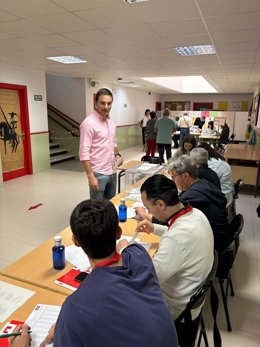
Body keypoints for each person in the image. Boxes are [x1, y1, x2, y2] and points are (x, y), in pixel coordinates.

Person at [41, 199, 178, 347]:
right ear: (119, 233)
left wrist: (65, 327)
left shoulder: (75, 306)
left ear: (76, 241)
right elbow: (130, 249)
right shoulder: (141, 257)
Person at [123, 174, 214, 320]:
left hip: (176, 308)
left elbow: (146, 278)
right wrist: (154, 228)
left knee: (121, 298)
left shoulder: (176, 238)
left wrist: (124, 250)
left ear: (160, 204)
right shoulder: (196, 214)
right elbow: (177, 234)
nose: (148, 213)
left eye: (148, 208)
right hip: (190, 294)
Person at [169, 155, 230, 254]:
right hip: (220, 236)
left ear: (185, 176)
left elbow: (169, 219)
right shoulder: (204, 183)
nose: (173, 181)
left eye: (173, 177)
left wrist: (146, 215)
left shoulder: (190, 197)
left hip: (212, 246)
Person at [79, 88, 123, 200]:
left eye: (109, 103)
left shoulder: (111, 122)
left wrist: (117, 155)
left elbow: (113, 142)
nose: (106, 107)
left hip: (112, 171)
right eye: (102, 103)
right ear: (96, 103)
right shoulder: (88, 123)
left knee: (110, 203)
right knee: (97, 208)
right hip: (98, 173)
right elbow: (84, 152)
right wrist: (90, 176)